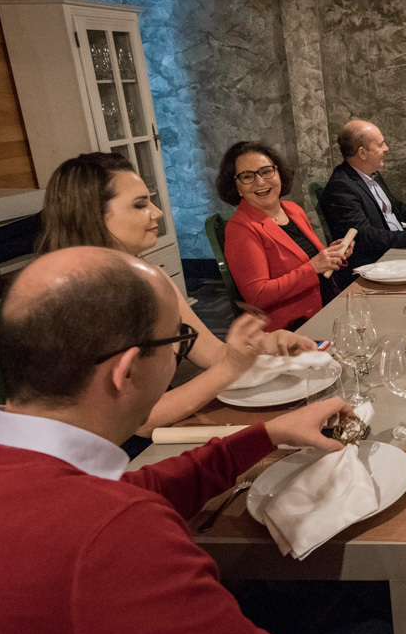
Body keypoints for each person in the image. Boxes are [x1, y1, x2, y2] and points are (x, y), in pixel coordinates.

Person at [0, 246, 354, 634]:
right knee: (371, 625)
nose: (178, 355)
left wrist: (268, 434)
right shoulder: (117, 536)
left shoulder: (26, 475)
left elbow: (138, 490)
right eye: (177, 342)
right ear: (126, 371)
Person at [38, 152, 315, 448]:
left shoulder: (153, 278)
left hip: (163, 428)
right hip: (108, 454)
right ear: (92, 215)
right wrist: (231, 368)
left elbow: (214, 354)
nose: (157, 213)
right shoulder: (79, 301)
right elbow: (141, 420)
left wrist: (270, 343)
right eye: (140, 205)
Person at [220, 141, 352, 332]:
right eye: (247, 176)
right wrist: (313, 267)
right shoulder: (241, 228)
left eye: (266, 171)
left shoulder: (292, 210)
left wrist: (334, 253)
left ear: (279, 174)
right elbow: (258, 296)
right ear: (237, 188)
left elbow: (309, 262)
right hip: (292, 329)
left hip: (327, 310)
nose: (260, 182)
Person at [319, 120, 406, 273]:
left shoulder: (372, 174)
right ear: (362, 153)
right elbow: (363, 235)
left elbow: (397, 208)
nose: (386, 148)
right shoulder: (341, 186)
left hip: (398, 251)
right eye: (380, 145)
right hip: (378, 263)